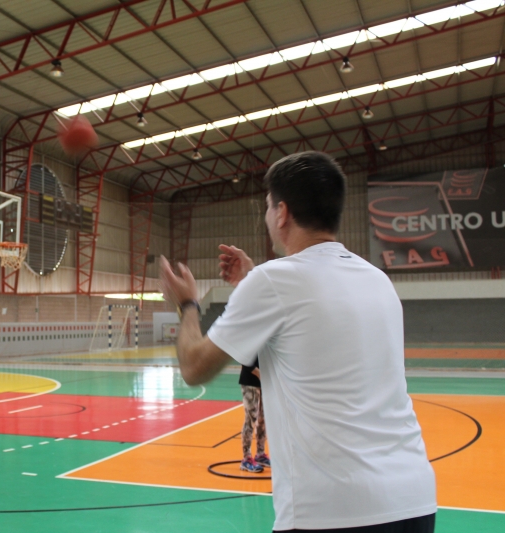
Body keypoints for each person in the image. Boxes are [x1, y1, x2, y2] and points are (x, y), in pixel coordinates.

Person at [160, 151, 436, 533]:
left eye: (267, 206)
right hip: (414, 500)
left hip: (333, 511)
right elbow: (306, 327)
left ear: (282, 213)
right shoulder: (377, 280)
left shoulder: (273, 281)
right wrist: (253, 282)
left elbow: (194, 366)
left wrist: (188, 304)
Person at [238, 358, 268, 474]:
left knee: (263, 419)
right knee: (250, 419)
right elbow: (243, 358)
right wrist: (259, 373)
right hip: (250, 381)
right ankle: (246, 459)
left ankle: (260, 454)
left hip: (265, 382)